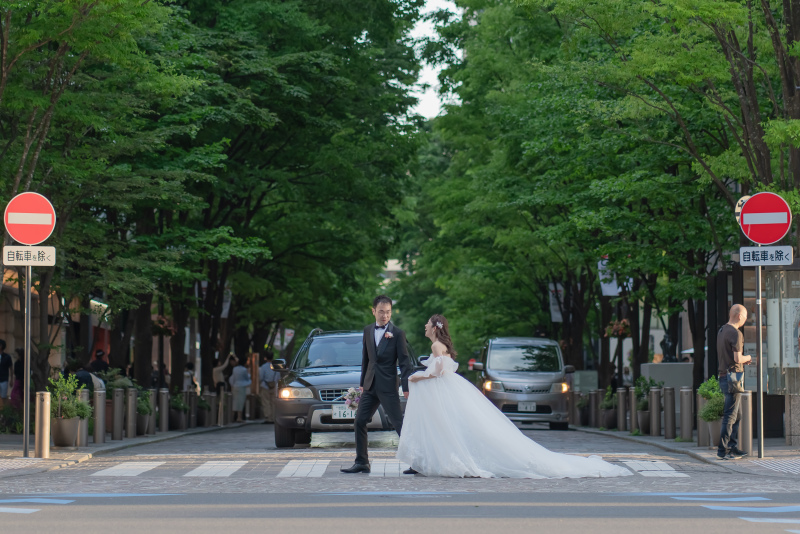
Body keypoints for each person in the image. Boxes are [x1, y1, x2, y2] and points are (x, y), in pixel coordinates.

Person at [396, 314, 632, 479]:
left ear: (435, 328)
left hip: (443, 389)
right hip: (450, 388)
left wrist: (418, 377)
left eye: (427, 324)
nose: (425, 326)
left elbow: (437, 372)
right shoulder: (440, 345)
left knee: (447, 425)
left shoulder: (436, 346)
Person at [342, 295, 412, 474]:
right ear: (373, 311)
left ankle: (416, 462)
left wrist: (406, 386)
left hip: (388, 386)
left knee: (398, 423)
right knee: (360, 421)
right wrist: (362, 383)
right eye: (381, 312)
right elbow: (366, 359)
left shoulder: (398, 333)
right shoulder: (367, 330)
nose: (385, 316)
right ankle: (362, 462)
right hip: (370, 385)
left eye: (388, 312)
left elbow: (405, 362)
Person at [717, 304, 752, 460]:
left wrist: (740, 360)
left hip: (724, 376)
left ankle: (732, 447)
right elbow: (738, 358)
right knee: (730, 416)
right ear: (739, 316)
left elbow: (729, 357)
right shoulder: (736, 333)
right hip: (733, 378)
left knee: (737, 415)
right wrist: (748, 358)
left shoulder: (722, 330)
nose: (745, 320)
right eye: (745, 317)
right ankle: (723, 450)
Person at [228, 355, 251, 422]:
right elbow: (247, 378)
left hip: (235, 386)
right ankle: (239, 417)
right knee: (241, 401)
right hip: (242, 386)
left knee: (235, 401)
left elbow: (233, 378)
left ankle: (232, 417)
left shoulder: (235, 369)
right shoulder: (244, 370)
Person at [259, 352, 278, 424]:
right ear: (272, 357)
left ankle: (267, 417)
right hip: (274, 386)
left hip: (265, 385)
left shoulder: (263, 367)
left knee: (266, 402)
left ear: (266, 358)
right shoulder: (276, 366)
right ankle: (273, 417)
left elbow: (261, 377)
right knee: (273, 402)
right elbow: (278, 377)